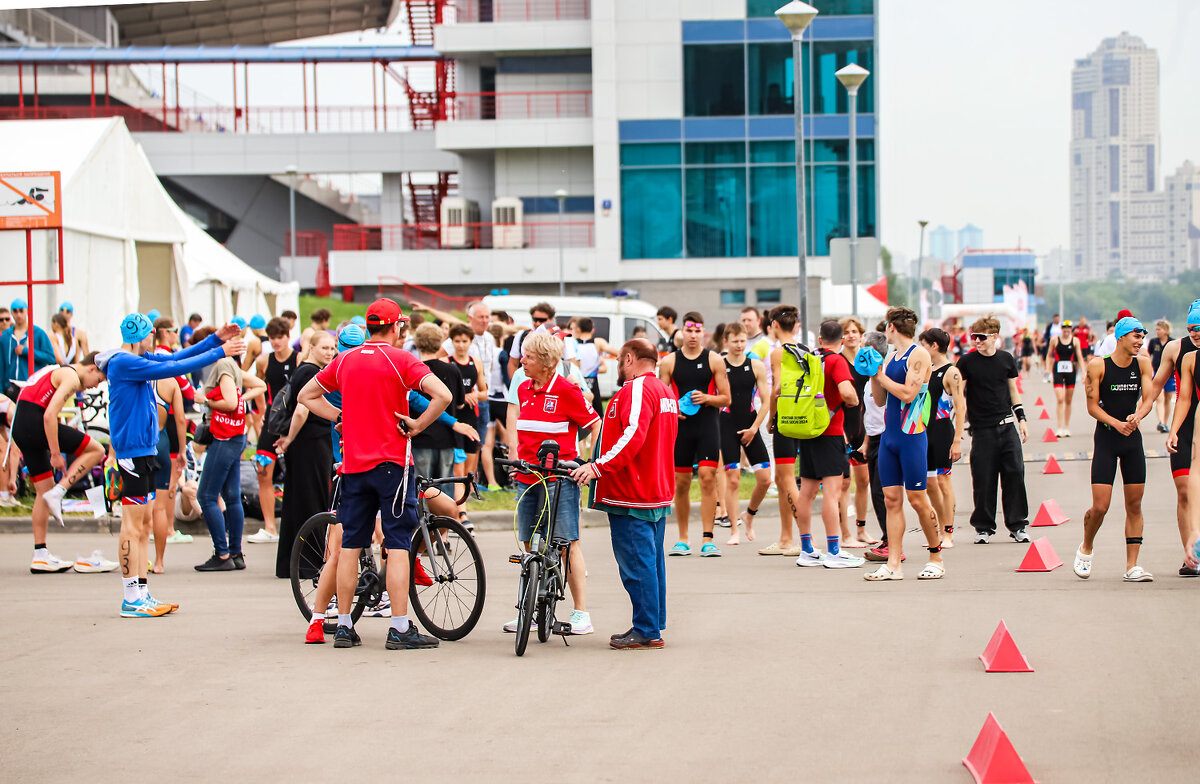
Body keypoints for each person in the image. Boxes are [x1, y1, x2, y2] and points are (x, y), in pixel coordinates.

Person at [298, 297, 453, 651]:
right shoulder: (401, 360)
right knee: (397, 546)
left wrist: (337, 417)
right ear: (397, 326)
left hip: (354, 465)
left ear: (368, 326)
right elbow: (441, 395)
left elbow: (307, 395)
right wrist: (417, 425)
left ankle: (345, 625)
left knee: (351, 545)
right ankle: (399, 627)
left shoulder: (344, 360)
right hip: (392, 465)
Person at [101, 313, 243, 617]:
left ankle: (141, 592)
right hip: (132, 452)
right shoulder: (124, 362)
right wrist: (220, 353)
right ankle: (130, 598)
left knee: (144, 527)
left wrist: (216, 339)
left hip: (145, 450)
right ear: (141, 334)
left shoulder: (139, 357)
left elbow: (177, 357)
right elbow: (175, 367)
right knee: (132, 525)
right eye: (150, 333)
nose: (155, 337)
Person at [570, 339, 676, 650]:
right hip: (653, 489)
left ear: (628, 358)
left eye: (619, 360)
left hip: (634, 493)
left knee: (638, 563)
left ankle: (646, 630)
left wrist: (598, 466)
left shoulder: (638, 389)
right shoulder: (664, 391)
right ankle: (652, 623)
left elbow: (633, 435)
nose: (618, 366)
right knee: (651, 562)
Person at [504, 330, 601, 635]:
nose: (522, 361)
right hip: (527, 477)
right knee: (528, 544)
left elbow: (595, 424)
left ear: (546, 363)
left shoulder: (568, 391)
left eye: (529, 357)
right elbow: (521, 432)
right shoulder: (523, 388)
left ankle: (580, 613)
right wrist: (514, 458)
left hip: (560, 479)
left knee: (566, 544)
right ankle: (529, 609)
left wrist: (590, 463)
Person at [863, 308, 943, 581]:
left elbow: (909, 394)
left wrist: (882, 376)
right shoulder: (890, 356)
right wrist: (873, 372)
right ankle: (893, 564)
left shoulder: (918, 354)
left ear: (891, 328)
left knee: (918, 500)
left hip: (912, 436)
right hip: (890, 437)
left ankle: (936, 557)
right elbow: (880, 399)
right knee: (892, 500)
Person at [1076, 316, 1156, 582]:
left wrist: (1137, 416)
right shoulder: (1098, 365)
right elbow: (1092, 407)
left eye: (1142, 338)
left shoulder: (1143, 364)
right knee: (1101, 506)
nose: (1140, 342)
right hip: (1107, 439)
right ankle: (1086, 546)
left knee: (1134, 504)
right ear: (1121, 337)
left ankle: (1132, 566)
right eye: (1136, 337)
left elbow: (1148, 399)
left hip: (1132, 440)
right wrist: (1116, 423)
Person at [12, 355, 108, 573]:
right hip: (36, 423)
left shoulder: (55, 368)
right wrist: (56, 453)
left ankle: (40, 554)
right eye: (99, 380)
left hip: (21, 425)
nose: (95, 386)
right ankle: (61, 490)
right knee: (97, 449)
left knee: (43, 491)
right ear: (92, 368)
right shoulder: (72, 377)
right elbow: (49, 416)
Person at [658, 311, 731, 557]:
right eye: (688, 330)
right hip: (680, 430)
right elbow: (661, 399)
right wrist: (673, 410)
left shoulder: (714, 360)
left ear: (703, 332)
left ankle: (708, 538)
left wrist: (708, 398)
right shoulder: (669, 362)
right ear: (682, 331)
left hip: (708, 426)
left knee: (708, 478)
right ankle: (682, 538)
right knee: (681, 483)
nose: (692, 335)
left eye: (697, 331)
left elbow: (726, 398)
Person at [792, 320, 863, 569]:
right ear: (842, 341)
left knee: (807, 493)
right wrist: (853, 400)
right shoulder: (837, 361)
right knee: (831, 495)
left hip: (808, 432)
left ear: (819, 340)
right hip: (831, 433)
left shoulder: (809, 360)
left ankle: (807, 550)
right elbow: (846, 392)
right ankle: (834, 551)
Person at [957, 316, 1030, 544]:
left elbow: (1013, 391)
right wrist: (958, 425)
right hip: (981, 430)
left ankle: (1017, 525)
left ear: (994, 337)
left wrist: (1022, 419)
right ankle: (984, 527)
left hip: (1007, 427)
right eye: (973, 337)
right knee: (983, 478)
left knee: (1015, 474)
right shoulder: (966, 362)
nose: (976, 341)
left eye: (981, 337)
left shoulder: (1006, 359)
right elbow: (959, 396)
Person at [194, 341, 266, 571]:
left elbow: (231, 402)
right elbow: (260, 385)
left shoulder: (223, 365)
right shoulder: (233, 366)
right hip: (236, 436)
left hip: (224, 438)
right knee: (232, 496)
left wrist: (206, 400)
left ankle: (222, 554)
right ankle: (235, 552)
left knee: (206, 496)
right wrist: (244, 400)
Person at [274, 332, 337, 579]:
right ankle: (308, 562)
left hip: (307, 443)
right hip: (311, 444)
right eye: (324, 347)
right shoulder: (310, 373)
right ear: (310, 347)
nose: (330, 352)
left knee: (297, 501)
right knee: (313, 501)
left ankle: (292, 562)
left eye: (332, 348)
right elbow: (301, 411)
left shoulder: (304, 370)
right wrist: (289, 439)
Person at [1156, 303, 1200, 576]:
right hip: (1190, 428)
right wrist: (1172, 430)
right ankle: (1192, 551)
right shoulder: (1188, 358)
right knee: (1187, 489)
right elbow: (1183, 397)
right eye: (1191, 330)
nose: (1195, 334)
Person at [718, 322, 770, 547]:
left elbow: (767, 400)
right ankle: (733, 529)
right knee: (733, 479)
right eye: (735, 341)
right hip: (726, 425)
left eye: (743, 341)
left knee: (766, 479)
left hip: (750, 424)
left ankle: (749, 514)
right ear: (726, 341)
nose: (739, 345)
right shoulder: (718, 365)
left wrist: (755, 428)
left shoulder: (755, 365)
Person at [248, 316, 298, 543]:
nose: (277, 342)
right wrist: (260, 412)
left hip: (295, 421)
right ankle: (270, 527)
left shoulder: (299, 359)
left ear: (288, 337)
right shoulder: (263, 361)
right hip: (271, 420)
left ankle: (296, 525)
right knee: (263, 470)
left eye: (281, 337)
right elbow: (256, 385)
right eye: (273, 338)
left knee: (296, 476)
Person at [760, 305, 805, 557]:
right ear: (795, 325)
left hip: (786, 419)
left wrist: (772, 416)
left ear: (774, 325)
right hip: (805, 418)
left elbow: (777, 388)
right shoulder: (807, 350)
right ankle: (786, 538)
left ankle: (805, 540)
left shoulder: (779, 352)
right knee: (782, 478)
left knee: (787, 479)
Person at [919, 328, 966, 548]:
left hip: (942, 431)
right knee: (929, 485)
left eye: (923, 344)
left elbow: (960, 406)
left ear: (934, 346)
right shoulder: (926, 369)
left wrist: (957, 439)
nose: (920, 349)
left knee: (943, 481)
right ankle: (938, 527)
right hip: (923, 431)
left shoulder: (951, 372)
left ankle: (948, 531)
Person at [839, 316, 876, 547]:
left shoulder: (867, 359)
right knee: (843, 483)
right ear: (841, 336)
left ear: (861, 335)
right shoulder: (837, 360)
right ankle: (845, 534)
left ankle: (861, 529)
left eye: (855, 331)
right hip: (842, 426)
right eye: (847, 331)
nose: (851, 335)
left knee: (864, 480)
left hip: (864, 426)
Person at [411, 323, 464, 480]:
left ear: (417, 343)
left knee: (421, 491)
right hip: (446, 438)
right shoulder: (453, 370)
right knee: (444, 490)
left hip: (420, 438)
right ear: (441, 342)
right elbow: (460, 403)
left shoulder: (413, 370)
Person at [447, 323, 486, 526]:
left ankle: (461, 508)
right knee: (457, 470)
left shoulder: (475, 362)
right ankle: (460, 514)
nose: (461, 345)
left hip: (471, 419)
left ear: (471, 342)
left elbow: (485, 391)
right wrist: (459, 398)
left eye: (464, 341)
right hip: (454, 420)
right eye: (457, 341)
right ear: (451, 342)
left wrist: (474, 395)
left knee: (469, 472)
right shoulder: (447, 361)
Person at [147, 375, 185, 574]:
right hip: (161, 441)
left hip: (140, 444)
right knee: (159, 509)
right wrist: (182, 451)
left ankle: (138, 558)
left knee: (137, 507)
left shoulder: (134, 375)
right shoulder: (170, 382)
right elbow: (179, 419)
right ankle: (159, 562)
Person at [0, 297, 55, 389]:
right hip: (10, 387)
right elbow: (1, 366)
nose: (18, 315)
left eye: (21, 311)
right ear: (12, 313)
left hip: (32, 385)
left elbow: (50, 358)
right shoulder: (5, 336)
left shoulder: (38, 333)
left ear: (27, 312)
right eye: (15, 311)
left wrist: (26, 351)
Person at [1046, 320, 1084, 437]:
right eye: (1064, 329)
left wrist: (1084, 371)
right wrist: (1047, 369)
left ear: (1071, 329)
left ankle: (1066, 427)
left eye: (1068, 329)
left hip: (1070, 370)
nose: (1066, 331)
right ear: (1061, 329)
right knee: (1060, 398)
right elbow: (1048, 355)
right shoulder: (1055, 340)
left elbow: (1080, 357)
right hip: (1058, 369)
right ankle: (1059, 427)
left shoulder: (1075, 341)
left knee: (1068, 400)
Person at [1146, 319, 1173, 432]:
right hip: (1157, 372)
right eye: (1156, 329)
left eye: (1159, 329)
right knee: (1160, 397)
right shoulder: (1153, 342)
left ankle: (1165, 423)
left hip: (1170, 374)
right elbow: (1148, 355)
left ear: (1166, 330)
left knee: (1168, 398)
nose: (1157, 331)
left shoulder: (1172, 342)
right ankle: (1161, 421)